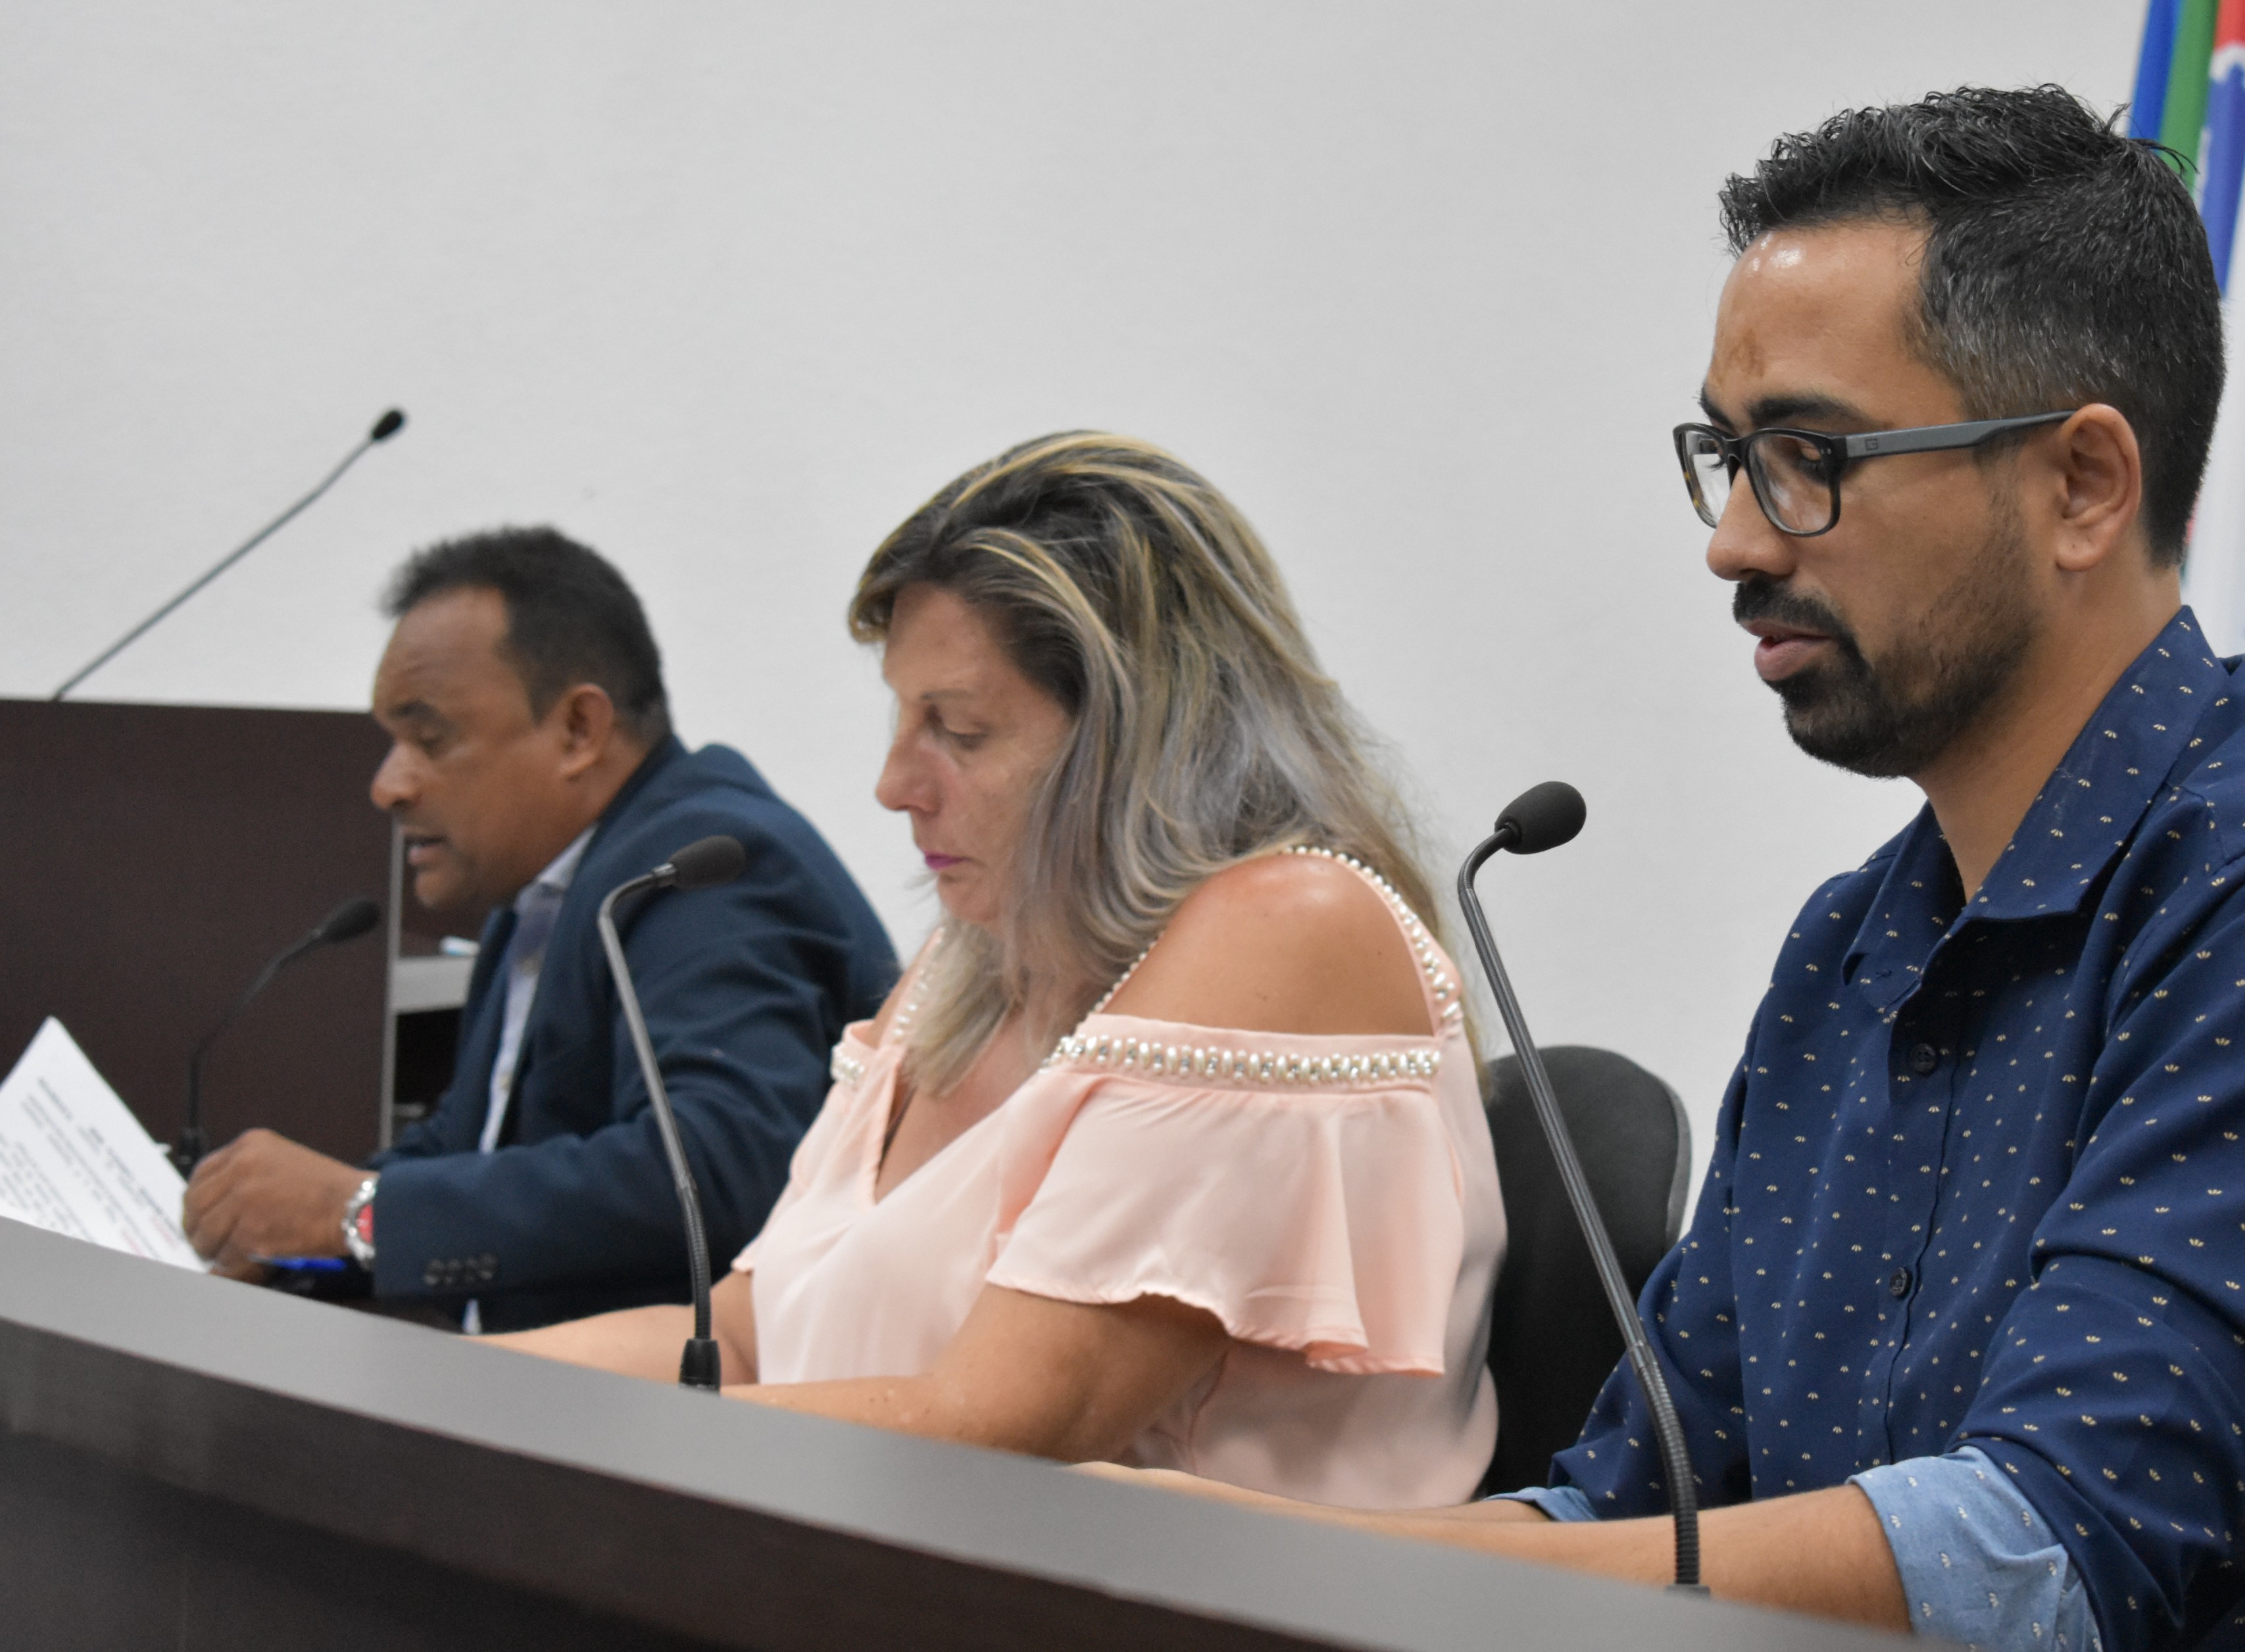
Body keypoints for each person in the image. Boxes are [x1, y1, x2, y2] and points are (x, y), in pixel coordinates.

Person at [1110, 89, 2245, 1649]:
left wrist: (1325, 1576)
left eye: (1809, 457)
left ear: (2083, 486)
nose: (1735, 542)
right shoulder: (1854, 945)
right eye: (1726, 455)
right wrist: (1221, 1568)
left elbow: (2048, 1554)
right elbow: (1636, 1507)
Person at [489, 433, 1505, 1505]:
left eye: (959, 730)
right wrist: (446, 1391)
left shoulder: (1292, 925)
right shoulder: (973, 962)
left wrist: (561, 1439)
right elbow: (745, 1342)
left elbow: (1015, 1424)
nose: (894, 783)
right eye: (903, 717)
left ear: (1139, 741)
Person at [182, 527, 901, 1333]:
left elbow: (712, 1165)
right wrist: (288, 1237)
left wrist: (359, 1211)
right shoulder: (545, 893)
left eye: (429, 738)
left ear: (578, 730)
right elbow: (471, 1147)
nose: (388, 785)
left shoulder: (700, 868)